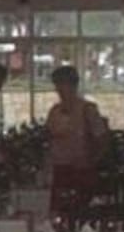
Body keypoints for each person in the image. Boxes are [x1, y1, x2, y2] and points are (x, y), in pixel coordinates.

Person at [46, 65, 108, 210]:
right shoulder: (54, 111)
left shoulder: (88, 109)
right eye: (57, 84)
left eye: (63, 84)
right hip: (60, 169)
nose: (59, 89)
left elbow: (102, 138)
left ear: (73, 85)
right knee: (59, 210)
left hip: (82, 169)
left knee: (81, 210)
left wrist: (92, 160)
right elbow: (50, 137)